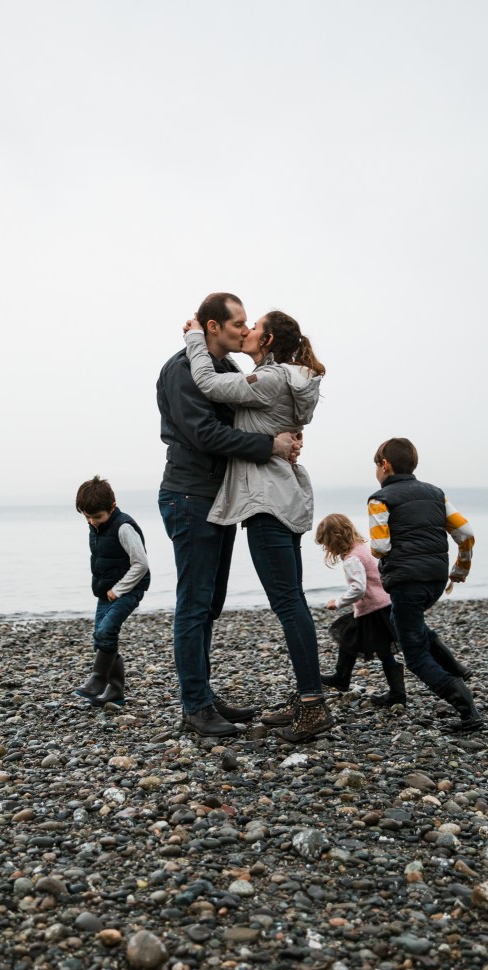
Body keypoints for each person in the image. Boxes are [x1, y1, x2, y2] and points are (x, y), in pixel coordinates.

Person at [184, 310, 334, 743]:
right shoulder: (286, 379)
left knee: (288, 604)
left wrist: (195, 337)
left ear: (267, 341)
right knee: (293, 601)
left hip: (268, 503)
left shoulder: (269, 379)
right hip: (283, 498)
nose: (247, 331)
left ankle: (312, 706)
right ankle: (307, 699)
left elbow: (209, 383)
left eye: (254, 327)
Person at [157, 292, 300, 738]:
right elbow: (205, 433)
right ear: (213, 327)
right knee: (194, 603)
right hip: (190, 496)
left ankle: (202, 694)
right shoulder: (182, 370)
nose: (245, 330)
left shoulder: (225, 368)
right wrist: (269, 446)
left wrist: (284, 436)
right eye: (238, 323)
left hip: (218, 497)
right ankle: (195, 707)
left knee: (209, 604)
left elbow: (249, 412)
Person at [367, 437, 482, 732]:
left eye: (376, 465)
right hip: (435, 579)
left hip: (406, 582)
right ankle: (454, 666)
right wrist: (460, 569)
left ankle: (466, 708)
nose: (376, 471)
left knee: (415, 656)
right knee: (402, 620)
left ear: (385, 465)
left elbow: (379, 547)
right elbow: (466, 532)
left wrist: (379, 550)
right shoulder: (435, 493)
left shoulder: (380, 499)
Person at [74, 476, 150, 707]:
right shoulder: (95, 526)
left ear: (113, 506)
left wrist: (119, 589)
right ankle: (115, 690)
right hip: (106, 591)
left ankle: (98, 678)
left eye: (97, 517)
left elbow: (141, 564)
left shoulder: (124, 527)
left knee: (107, 631)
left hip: (129, 589)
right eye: (87, 517)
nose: (92, 522)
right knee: (100, 638)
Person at [315, 513, 404, 702]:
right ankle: (342, 677)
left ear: (335, 538)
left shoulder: (351, 559)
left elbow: (358, 588)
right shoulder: (362, 548)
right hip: (383, 604)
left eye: (326, 544)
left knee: (380, 649)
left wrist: (338, 602)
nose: (327, 549)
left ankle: (396, 693)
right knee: (350, 637)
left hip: (374, 610)